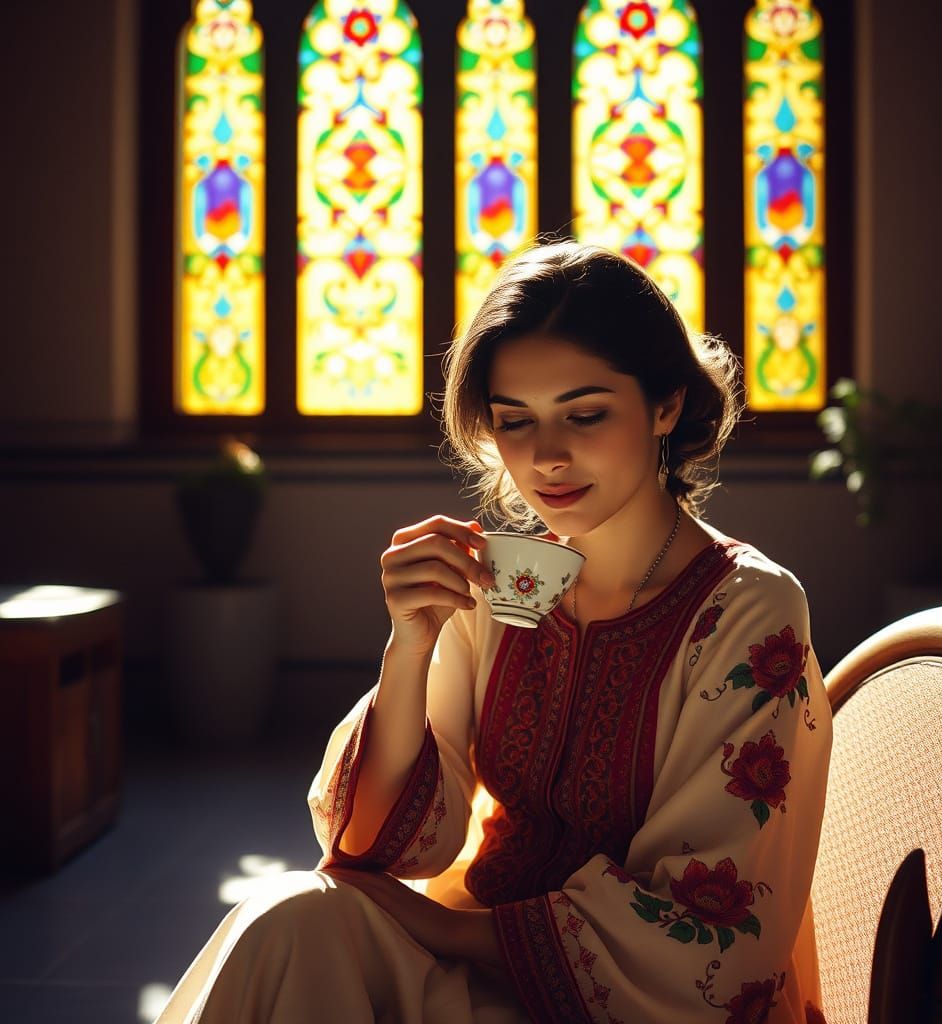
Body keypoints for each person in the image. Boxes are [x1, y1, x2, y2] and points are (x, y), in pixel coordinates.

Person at [157, 241, 832, 1024]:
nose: (546, 457)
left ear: (666, 405)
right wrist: (408, 646)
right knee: (287, 918)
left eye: (585, 415)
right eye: (515, 421)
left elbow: (712, 940)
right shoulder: (502, 588)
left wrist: (441, 926)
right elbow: (376, 850)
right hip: (472, 973)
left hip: (632, 1006)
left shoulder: (750, 610)